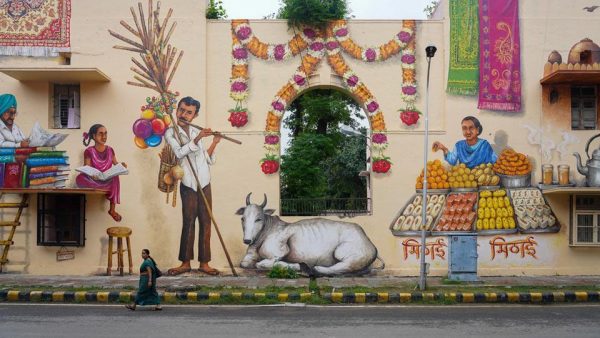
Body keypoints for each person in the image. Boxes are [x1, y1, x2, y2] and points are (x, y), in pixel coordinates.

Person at [164, 96, 221, 276]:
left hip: (204, 182)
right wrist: (197, 139)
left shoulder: (197, 132)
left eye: (189, 112)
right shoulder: (170, 132)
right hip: (188, 183)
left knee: (206, 222)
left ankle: (204, 263)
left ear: (194, 115)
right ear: (176, 110)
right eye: (181, 110)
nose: (183, 114)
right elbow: (180, 153)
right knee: (189, 222)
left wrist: (214, 142)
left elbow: (206, 159)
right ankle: (185, 262)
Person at [76, 124, 127, 222]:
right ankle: (100, 186)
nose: (104, 136)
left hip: (106, 179)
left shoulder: (110, 150)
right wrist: (92, 175)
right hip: (94, 179)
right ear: (94, 136)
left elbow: (116, 164)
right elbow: (87, 167)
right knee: (80, 178)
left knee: (116, 178)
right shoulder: (89, 151)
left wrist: (122, 166)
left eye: (105, 134)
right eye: (101, 134)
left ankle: (112, 210)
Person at [432, 116, 498, 169]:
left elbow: (495, 162)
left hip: (482, 181)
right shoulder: (459, 145)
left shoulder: (484, 145)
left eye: (471, 128)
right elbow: (452, 161)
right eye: (464, 128)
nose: (468, 132)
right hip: (465, 180)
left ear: (477, 130)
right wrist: (444, 148)